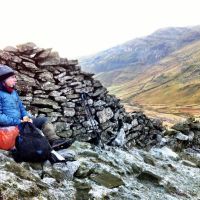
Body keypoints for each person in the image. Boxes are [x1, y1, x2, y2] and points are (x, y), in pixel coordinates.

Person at [0, 64, 74, 150]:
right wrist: (19, 122)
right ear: (3, 79)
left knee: (43, 120)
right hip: (9, 127)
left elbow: (21, 108)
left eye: (15, 77)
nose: (15, 80)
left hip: (21, 123)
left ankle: (54, 141)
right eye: (12, 77)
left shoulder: (13, 92)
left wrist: (25, 117)